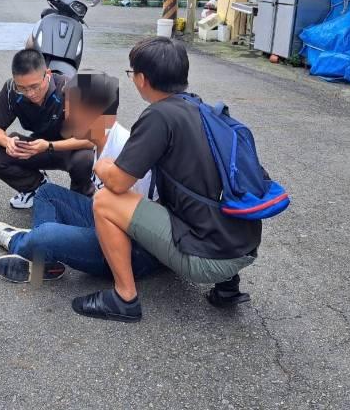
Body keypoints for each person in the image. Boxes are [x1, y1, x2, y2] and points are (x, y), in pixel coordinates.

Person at [72, 37, 262, 323]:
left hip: (207, 259)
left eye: (131, 73)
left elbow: (119, 183)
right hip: (245, 248)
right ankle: (228, 287)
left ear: (142, 79)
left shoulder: (158, 117)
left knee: (104, 201)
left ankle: (124, 297)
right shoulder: (203, 109)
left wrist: (102, 166)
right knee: (202, 186)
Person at [0, 71, 161, 283]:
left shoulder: (124, 153)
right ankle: (43, 259)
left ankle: (17, 240)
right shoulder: (105, 137)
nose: (65, 115)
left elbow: (142, 226)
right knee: (47, 194)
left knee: (47, 234)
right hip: (107, 223)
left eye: (71, 109)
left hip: (132, 251)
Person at [0, 49, 95, 208]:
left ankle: (80, 199)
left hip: (71, 148)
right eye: (23, 88)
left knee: (85, 159)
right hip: (37, 147)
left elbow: (91, 140)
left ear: (47, 73)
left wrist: (49, 146)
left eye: (35, 86)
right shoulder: (11, 89)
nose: (30, 93)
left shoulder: (72, 87)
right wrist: (7, 142)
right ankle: (37, 187)